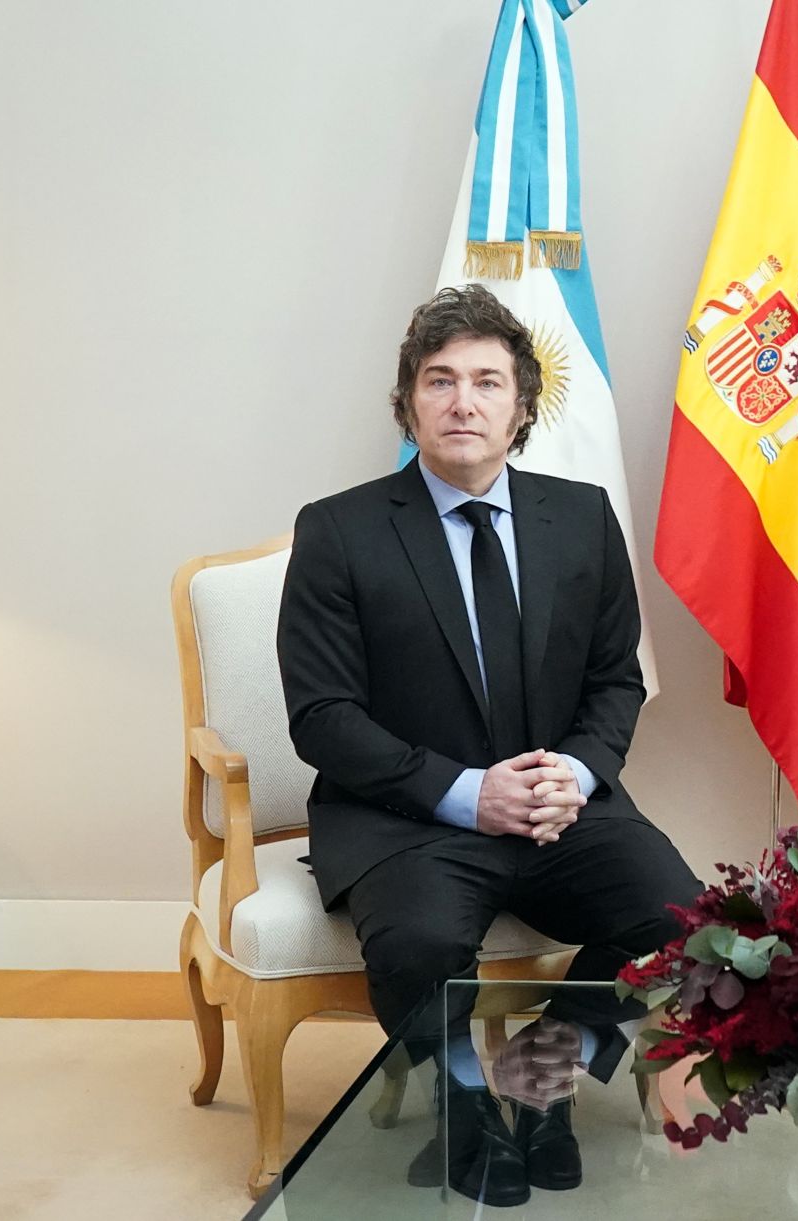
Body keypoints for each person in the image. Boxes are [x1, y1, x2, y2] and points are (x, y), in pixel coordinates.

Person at [277, 284, 700, 1207]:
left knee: (686, 919)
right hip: (409, 821)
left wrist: (577, 773)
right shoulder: (339, 530)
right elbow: (322, 714)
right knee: (421, 944)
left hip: (561, 813)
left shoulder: (582, 516)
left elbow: (614, 682)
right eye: (438, 381)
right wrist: (468, 793)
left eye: (485, 381)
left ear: (520, 407)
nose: (462, 401)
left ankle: (544, 1080)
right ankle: (463, 1104)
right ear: (407, 404)